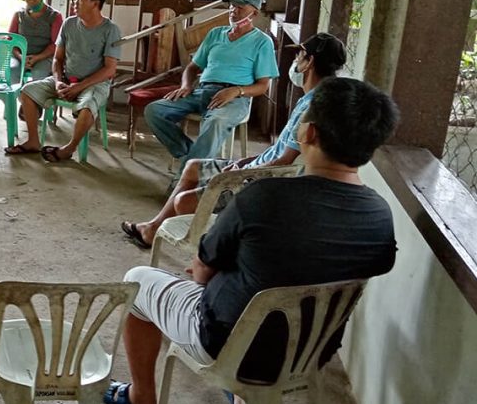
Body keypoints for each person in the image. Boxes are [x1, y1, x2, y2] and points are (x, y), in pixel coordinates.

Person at [104, 77, 399, 404]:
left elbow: (201, 272)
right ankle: (244, 398)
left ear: (310, 134)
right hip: (308, 353)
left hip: (227, 345)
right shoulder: (380, 215)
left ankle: (142, 401)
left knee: (137, 281)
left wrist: (211, 270)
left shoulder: (263, 197)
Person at [121, 33, 347, 249]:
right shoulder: (310, 99)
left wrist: (239, 174)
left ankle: (209, 254)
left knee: (183, 202)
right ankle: (152, 229)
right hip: (256, 163)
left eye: (300, 56)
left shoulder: (311, 108)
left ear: (309, 63)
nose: (296, 61)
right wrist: (243, 162)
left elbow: (284, 164)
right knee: (192, 167)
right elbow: (279, 152)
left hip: (262, 181)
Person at [144, 0, 278, 172]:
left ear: (254, 12)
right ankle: (194, 161)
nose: (233, 10)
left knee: (215, 122)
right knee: (154, 111)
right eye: (232, 5)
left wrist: (236, 91)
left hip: (234, 98)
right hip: (202, 91)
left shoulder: (262, 42)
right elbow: (192, 68)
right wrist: (186, 85)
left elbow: (263, 86)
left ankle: (185, 178)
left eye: (240, 6)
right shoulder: (216, 34)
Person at [4, 0, 121, 162]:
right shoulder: (69, 24)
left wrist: (79, 87)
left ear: (95, 3)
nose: (75, 2)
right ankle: (33, 142)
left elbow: (109, 69)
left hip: (94, 84)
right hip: (66, 79)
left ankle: (68, 149)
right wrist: (58, 80)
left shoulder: (110, 29)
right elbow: (57, 59)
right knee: (27, 91)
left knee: (87, 107)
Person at [8, 0, 62, 81]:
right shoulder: (18, 15)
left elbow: (56, 44)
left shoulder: (54, 16)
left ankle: (33, 97)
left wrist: (37, 58)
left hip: (45, 57)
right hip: (20, 56)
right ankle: (16, 97)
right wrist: (20, 56)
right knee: (12, 70)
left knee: (39, 73)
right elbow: (11, 40)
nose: (32, 1)